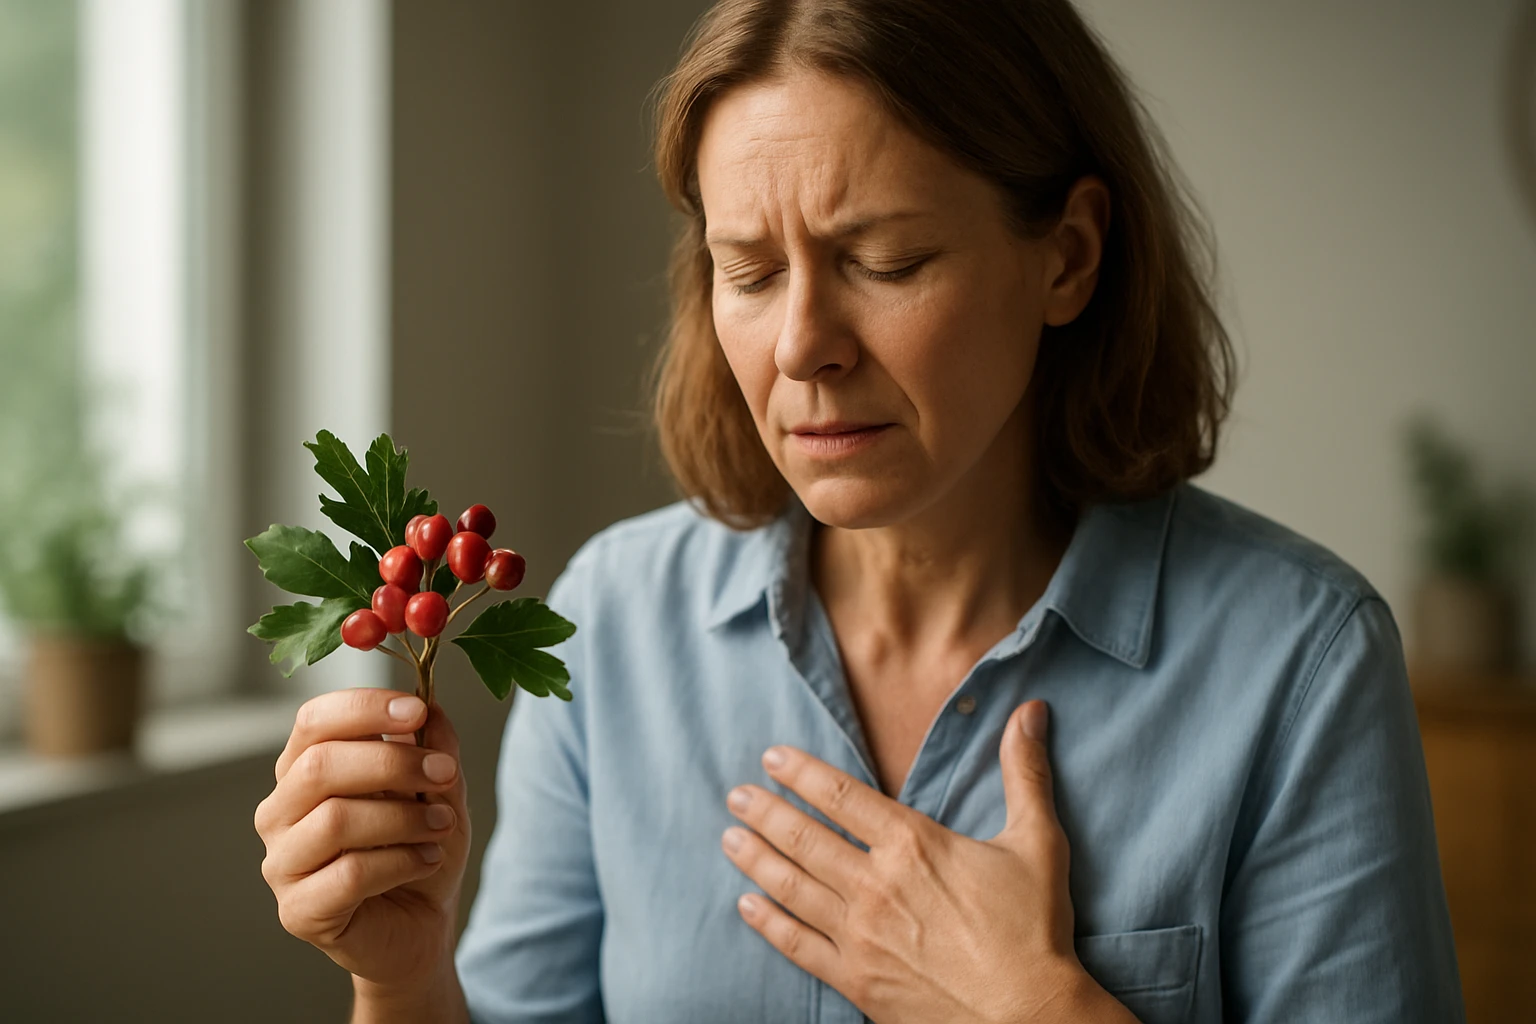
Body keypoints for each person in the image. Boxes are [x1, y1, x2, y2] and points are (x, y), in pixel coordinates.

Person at [254, 1, 1466, 1021]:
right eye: (752, 270)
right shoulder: (619, 621)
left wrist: (1042, 1008)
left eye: (886, 261)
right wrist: (404, 979)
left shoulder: (1301, 662)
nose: (803, 347)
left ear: (1070, 256)